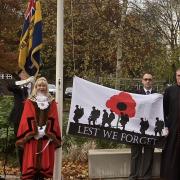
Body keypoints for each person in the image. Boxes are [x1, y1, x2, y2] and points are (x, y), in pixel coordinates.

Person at [16, 77, 61, 180]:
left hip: (46, 137)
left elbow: (54, 117)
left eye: (43, 85)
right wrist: (34, 130)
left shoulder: (51, 102)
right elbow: (26, 117)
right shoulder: (29, 101)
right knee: (31, 164)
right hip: (33, 138)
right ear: (35, 87)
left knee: (44, 165)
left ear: (47, 87)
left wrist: (47, 130)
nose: (41, 87)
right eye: (39, 85)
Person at [129, 73, 156, 180]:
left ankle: (146, 177)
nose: (148, 81)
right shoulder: (135, 94)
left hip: (150, 129)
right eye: (146, 79)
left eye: (150, 79)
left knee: (149, 154)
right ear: (142, 81)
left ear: (152, 81)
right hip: (136, 129)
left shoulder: (157, 95)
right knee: (135, 154)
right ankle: (133, 176)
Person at [7, 69, 33, 171]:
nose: (24, 75)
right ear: (19, 75)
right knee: (20, 144)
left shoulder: (35, 85)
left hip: (33, 119)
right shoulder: (17, 86)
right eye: (22, 73)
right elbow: (9, 86)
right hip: (19, 118)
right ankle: (23, 170)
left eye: (26, 73)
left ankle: (32, 169)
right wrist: (23, 82)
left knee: (32, 144)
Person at [160, 68, 180, 180]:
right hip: (173, 128)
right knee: (171, 153)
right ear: (175, 76)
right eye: (178, 75)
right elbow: (164, 110)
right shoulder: (169, 90)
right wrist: (166, 126)